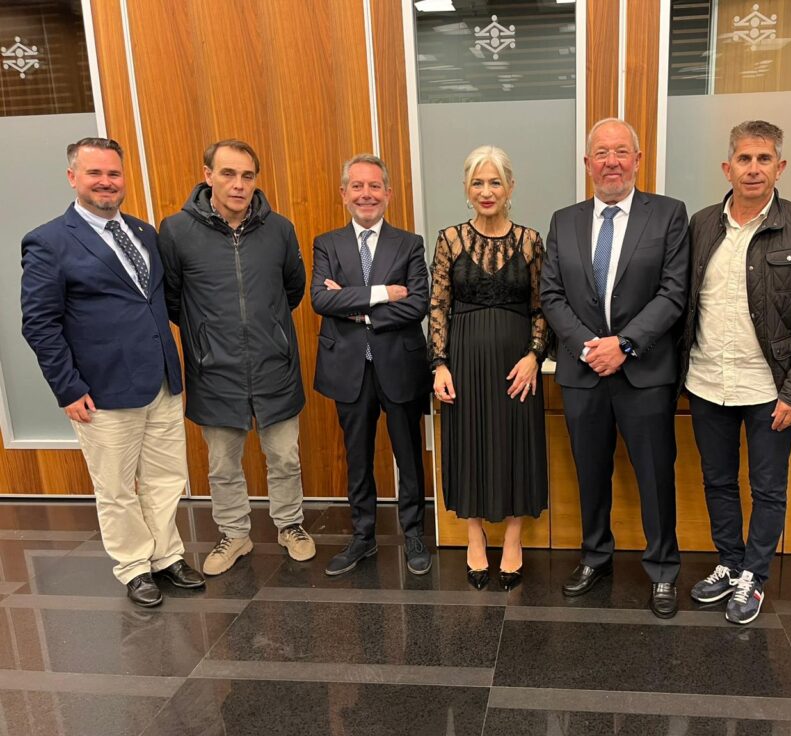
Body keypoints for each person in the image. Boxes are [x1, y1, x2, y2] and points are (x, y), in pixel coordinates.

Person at [21, 137, 204, 607]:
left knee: (166, 477)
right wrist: (67, 388)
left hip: (161, 381)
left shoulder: (143, 232)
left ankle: (166, 556)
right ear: (72, 178)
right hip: (100, 390)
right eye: (95, 173)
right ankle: (134, 566)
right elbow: (39, 323)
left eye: (113, 173)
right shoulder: (49, 241)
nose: (106, 182)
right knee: (116, 487)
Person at [541, 119, 689, 618]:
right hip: (584, 373)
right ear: (587, 164)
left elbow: (674, 292)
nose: (611, 162)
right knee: (590, 471)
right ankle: (595, 556)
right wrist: (589, 347)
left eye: (621, 152)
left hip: (645, 372)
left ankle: (663, 569)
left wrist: (624, 344)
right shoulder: (564, 220)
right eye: (601, 153)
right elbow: (551, 294)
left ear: (637, 160)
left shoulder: (667, 215)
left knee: (655, 474)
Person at [681, 121, 791, 624]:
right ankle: (729, 562)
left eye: (764, 159)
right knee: (718, 480)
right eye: (744, 159)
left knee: (768, 488)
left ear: (780, 167)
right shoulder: (702, 224)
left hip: (770, 388)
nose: (753, 168)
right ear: (728, 168)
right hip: (707, 382)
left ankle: (754, 575)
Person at [159, 139, 315, 576]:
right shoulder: (176, 231)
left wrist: (272, 332)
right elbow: (172, 299)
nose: (239, 184)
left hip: (274, 364)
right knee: (223, 464)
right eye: (228, 174)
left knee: (285, 456)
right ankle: (234, 533)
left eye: (247, 176)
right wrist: (208, 339)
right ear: (207, 175)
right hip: (214, 369)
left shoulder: (279, 229)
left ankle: (290, 525)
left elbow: (293, 289)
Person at [430, 146, 549, 591]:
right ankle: (474, 535)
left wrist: (534, 355)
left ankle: (514, 538)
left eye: (495, 182)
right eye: (477, 182)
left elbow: (542, 307)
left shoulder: (531, 241)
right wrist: (439, 364)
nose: (486, 191)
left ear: (510, 187)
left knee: (516, 443)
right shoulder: (449, 240)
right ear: (466, 188)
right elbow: (438, 305)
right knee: (470, 443)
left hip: (517, 365)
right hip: (464, 361)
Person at [311, 153, 432, 577]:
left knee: (408, 455)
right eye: (357, 186)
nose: (367, 194)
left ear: (388, 193)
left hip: (399, 365)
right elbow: (320, 299)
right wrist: (382, 293)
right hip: (349, 368)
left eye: (375, 186)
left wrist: (354, 306)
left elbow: (417, 304)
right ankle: (362, 536)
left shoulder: (410, 243)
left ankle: (414, 532)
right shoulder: (327, 243)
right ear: (344, 194)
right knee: (357, 456)